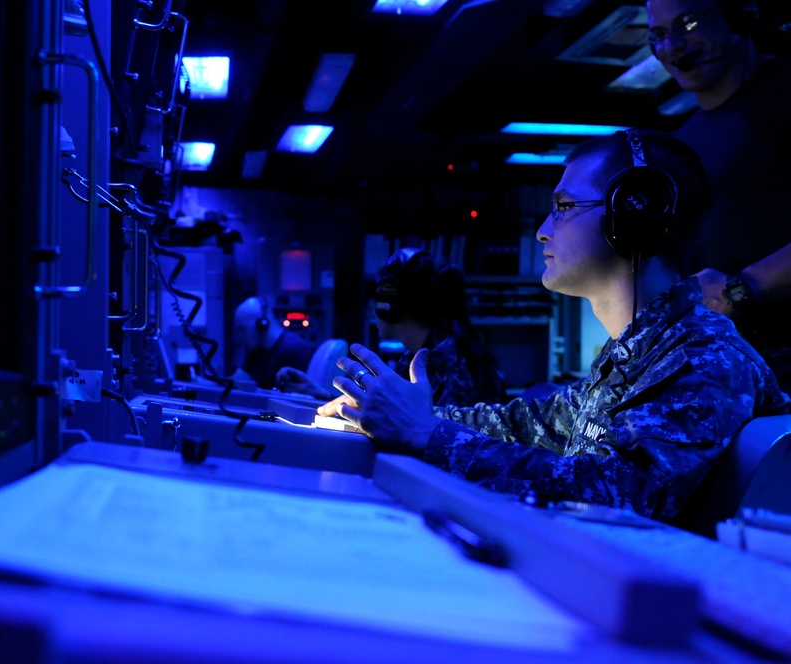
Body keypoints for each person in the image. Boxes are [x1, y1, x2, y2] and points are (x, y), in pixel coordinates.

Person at [317, 128, 790, 524]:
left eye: (563, 208)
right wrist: (391, 413)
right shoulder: (639, 354)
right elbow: (523, 425)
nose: (543, 229)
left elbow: (615, 495)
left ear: (634, 213)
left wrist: (425, 433)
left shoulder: (705, 360)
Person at [647, 0, 791, 394]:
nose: (672, 47)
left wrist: (740, 288)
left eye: (688, 23)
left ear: (739, 17)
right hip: (728, 368)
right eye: (658, 36)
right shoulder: (681, 141)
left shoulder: (782, 92)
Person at [276, 248, 506, 407]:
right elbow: (387, 414)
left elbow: (436, 440)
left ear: (391, 305)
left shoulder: (451, 363)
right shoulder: (416, 357)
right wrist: (320, 396)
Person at [230, 296, 312, 390]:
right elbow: (235, 380)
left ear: (262, 325)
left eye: (243, 329)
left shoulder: (295, 350)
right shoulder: (257, 350)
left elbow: (296, 398)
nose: (240, 336)